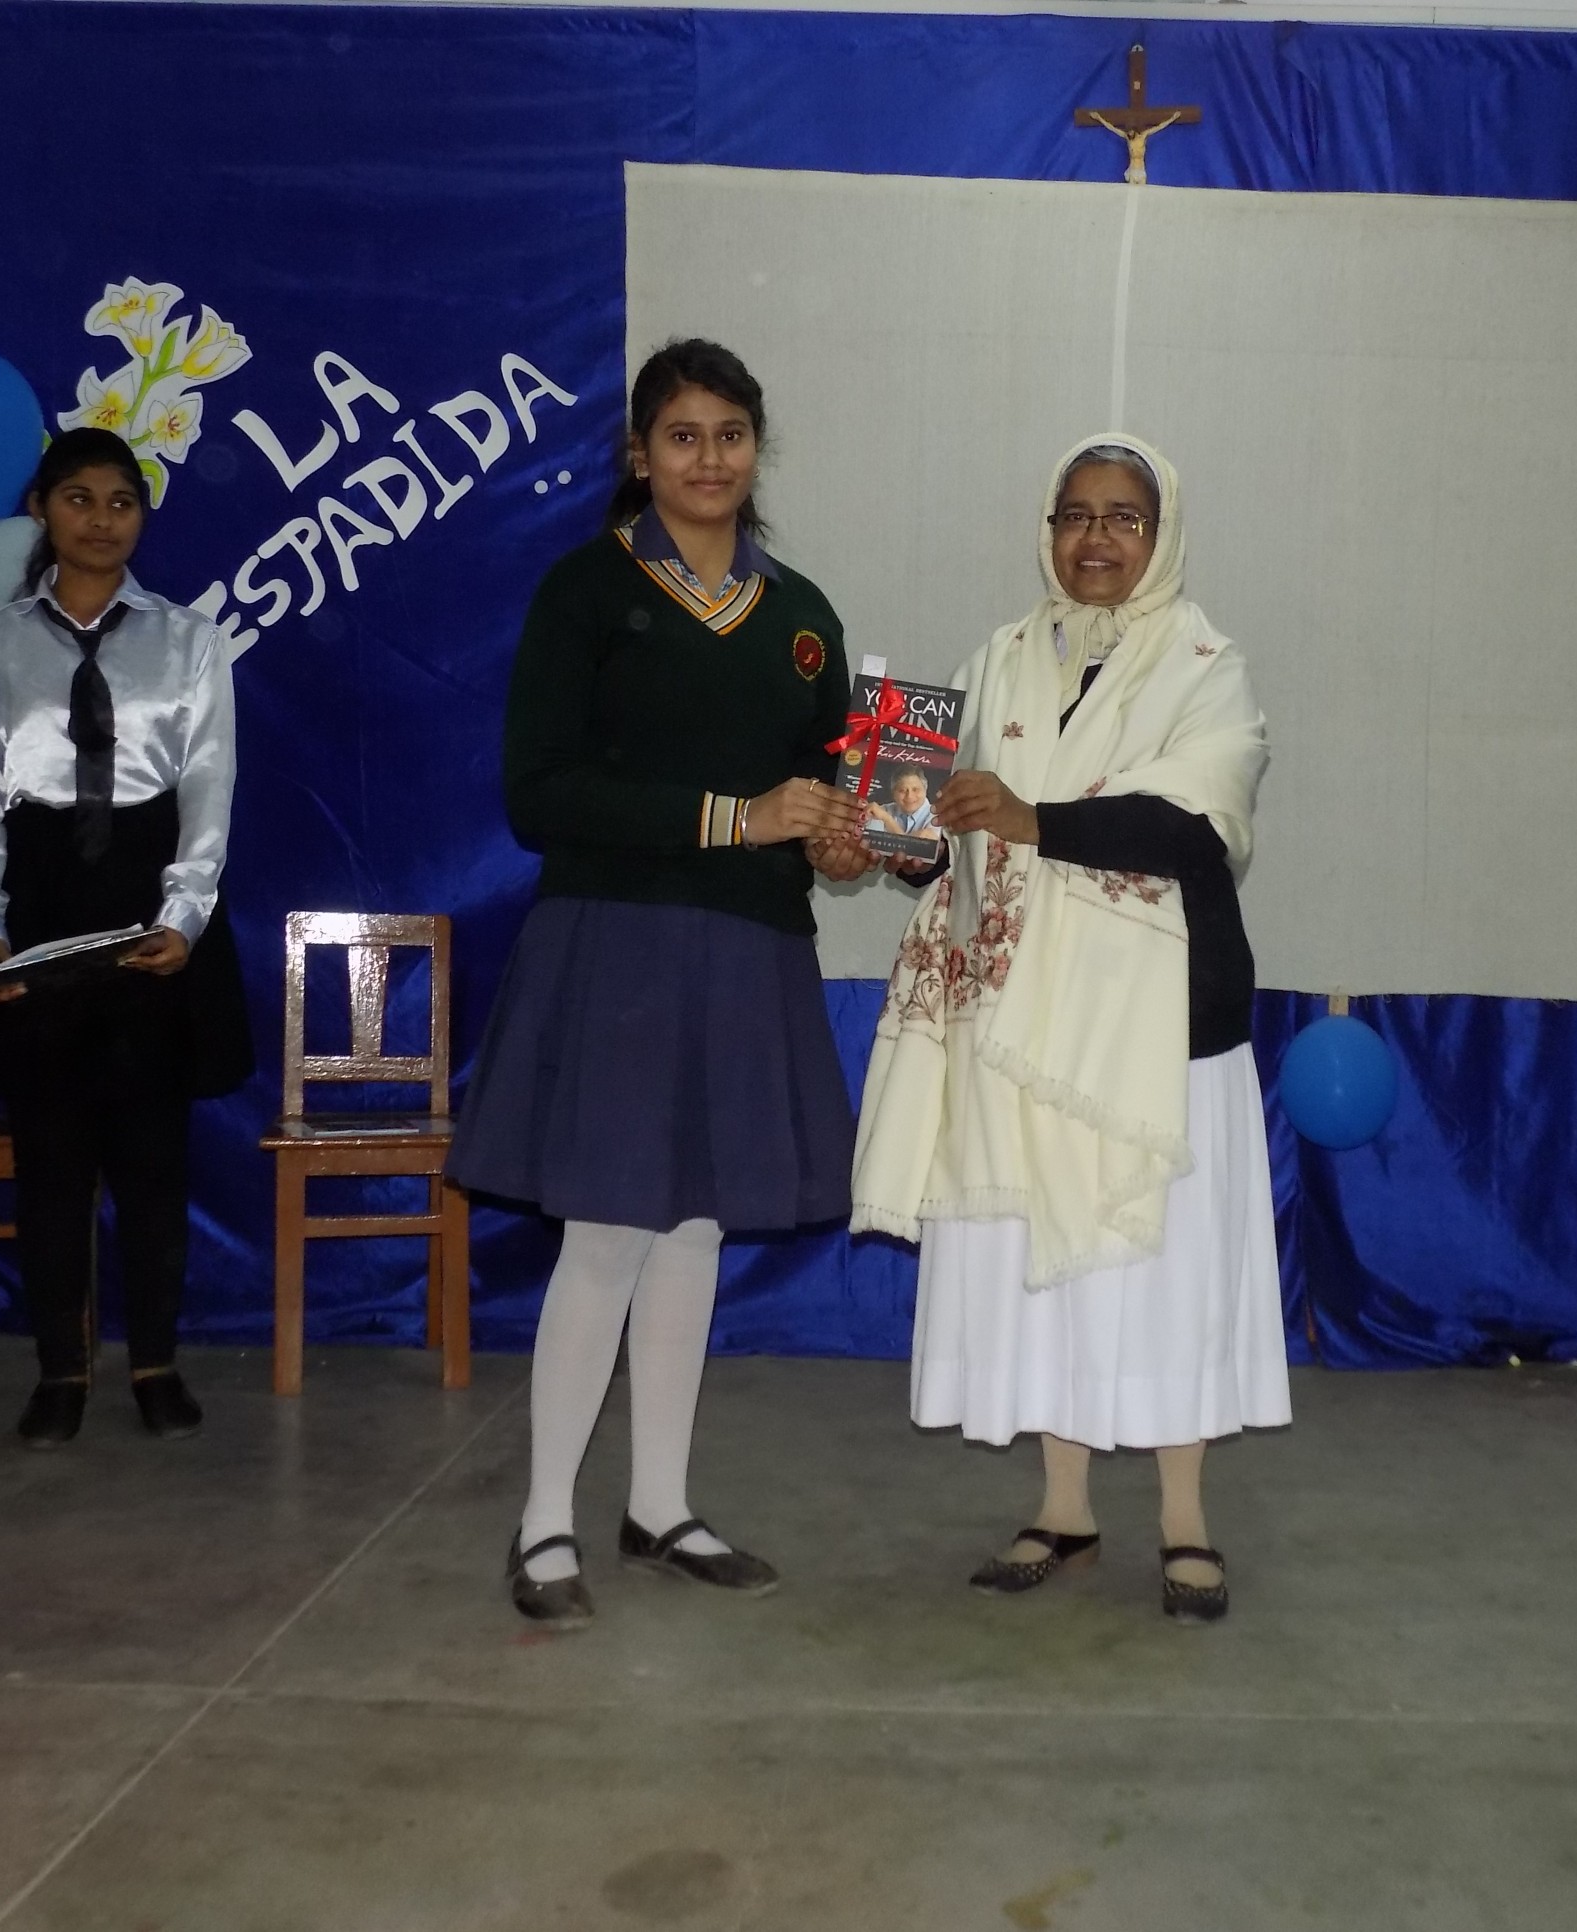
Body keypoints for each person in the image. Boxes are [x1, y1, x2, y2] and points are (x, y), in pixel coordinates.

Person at [450, 339, 868, 1627]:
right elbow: (539, 795)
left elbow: (830, 793)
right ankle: (543, 1523)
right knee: (608, 1230)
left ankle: (660, 1507)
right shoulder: (584, 590)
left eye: (730, 434)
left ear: (757, 449)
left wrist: (847, 840)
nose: (708, 459)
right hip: (617, 942)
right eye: (682, 436)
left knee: (694, 1230)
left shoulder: (802, 617)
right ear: (640, 452)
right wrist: (736, 819)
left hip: (750, 946)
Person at [852, 435, 1286, 1624]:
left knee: (1166, 1266)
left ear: (1162, 535)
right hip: (1018, 1014)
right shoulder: (996, 659)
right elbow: (952, 838)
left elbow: (1195, 829)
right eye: (1074, 515)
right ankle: (1063, 1509)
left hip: (1160, 1028)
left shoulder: (1205, 665)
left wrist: (1030, 818)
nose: (1095, 539)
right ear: (1046, 531)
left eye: (1122, 517)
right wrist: (881, 839)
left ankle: (1185, 1525)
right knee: (1036, 1262)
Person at [0, 427, 251, 1448]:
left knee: (154, 1153)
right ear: (41, 508)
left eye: (122, 502)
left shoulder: (188, 639)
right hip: (38, 898)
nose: (102, 520)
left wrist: (185, 916)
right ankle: (59, 1372)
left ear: (142, 518)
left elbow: (208, 785)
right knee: (51, 1156)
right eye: (79, 498)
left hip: (150, 891)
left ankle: (156, 1363)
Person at [867, 766, 941, 840]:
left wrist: (887, 819)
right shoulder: (882, 810)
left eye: (915, 790)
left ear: (925, 790)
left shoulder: (938, 817)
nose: (909, 796)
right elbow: (870, 844)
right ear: (893, 793)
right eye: (902, 790)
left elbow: (910, 846)